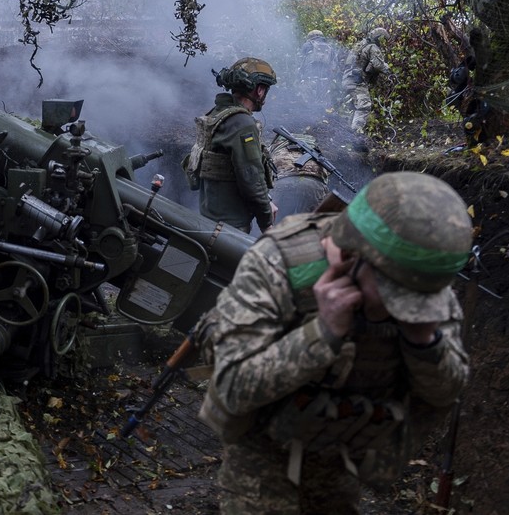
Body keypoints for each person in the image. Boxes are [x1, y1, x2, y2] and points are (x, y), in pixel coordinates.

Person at [195, 171, 472, 514]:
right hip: (262, 455)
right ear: (351, 256)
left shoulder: (422, 278)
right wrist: (323, 333)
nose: (404, 309)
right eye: (393, 294)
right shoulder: (279, 261)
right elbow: (232, 386)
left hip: (342, 457)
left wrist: (424, 342)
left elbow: (445, 393)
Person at [184, 57, 279, 234]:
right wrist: (267, 224)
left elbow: (231, 168)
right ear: (259, 90)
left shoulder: (218, 114)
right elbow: (251, 178)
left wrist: (266, 201)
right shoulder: (242, 123)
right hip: (230, 228)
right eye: (266, 89)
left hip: (210, 218)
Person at [341, 28, 394, 133]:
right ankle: (356, 133)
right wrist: (389, 70)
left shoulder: (359, 45)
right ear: (379, 38)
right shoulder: (372, 47)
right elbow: (378, 65)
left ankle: (347, 133)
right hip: (357, 82)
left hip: (347, 79)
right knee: (364, 106)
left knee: (355, 107)